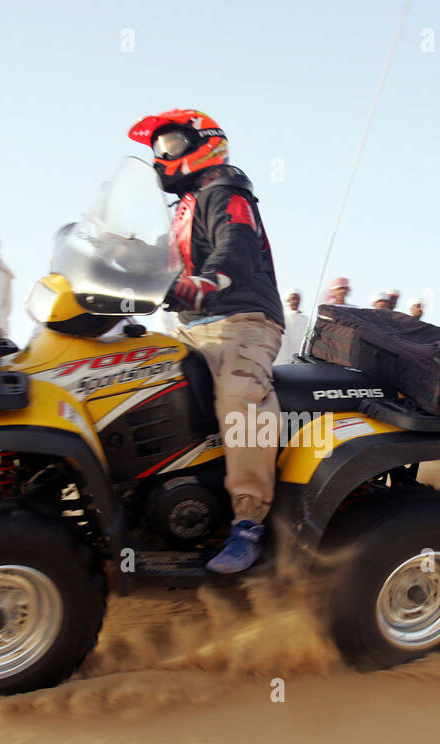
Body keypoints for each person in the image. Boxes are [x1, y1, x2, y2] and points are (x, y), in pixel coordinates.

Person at [129, 108, 285, 573]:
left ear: (204, 142)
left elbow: (233, 247)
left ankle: (248, 523)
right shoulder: (183, 206)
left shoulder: (226, 191)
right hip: (189, 327)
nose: (161, 158)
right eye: (156, 150)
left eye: (170, 145)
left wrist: (210, 280)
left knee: (242, 398)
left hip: (241, 321)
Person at [276, 288, 307, 364]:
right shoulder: (282, 319)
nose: (295, 301)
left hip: (302, 363)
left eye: (297, 299)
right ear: (287, 300)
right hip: (285, 364)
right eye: (293, 298)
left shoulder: (305, 320)